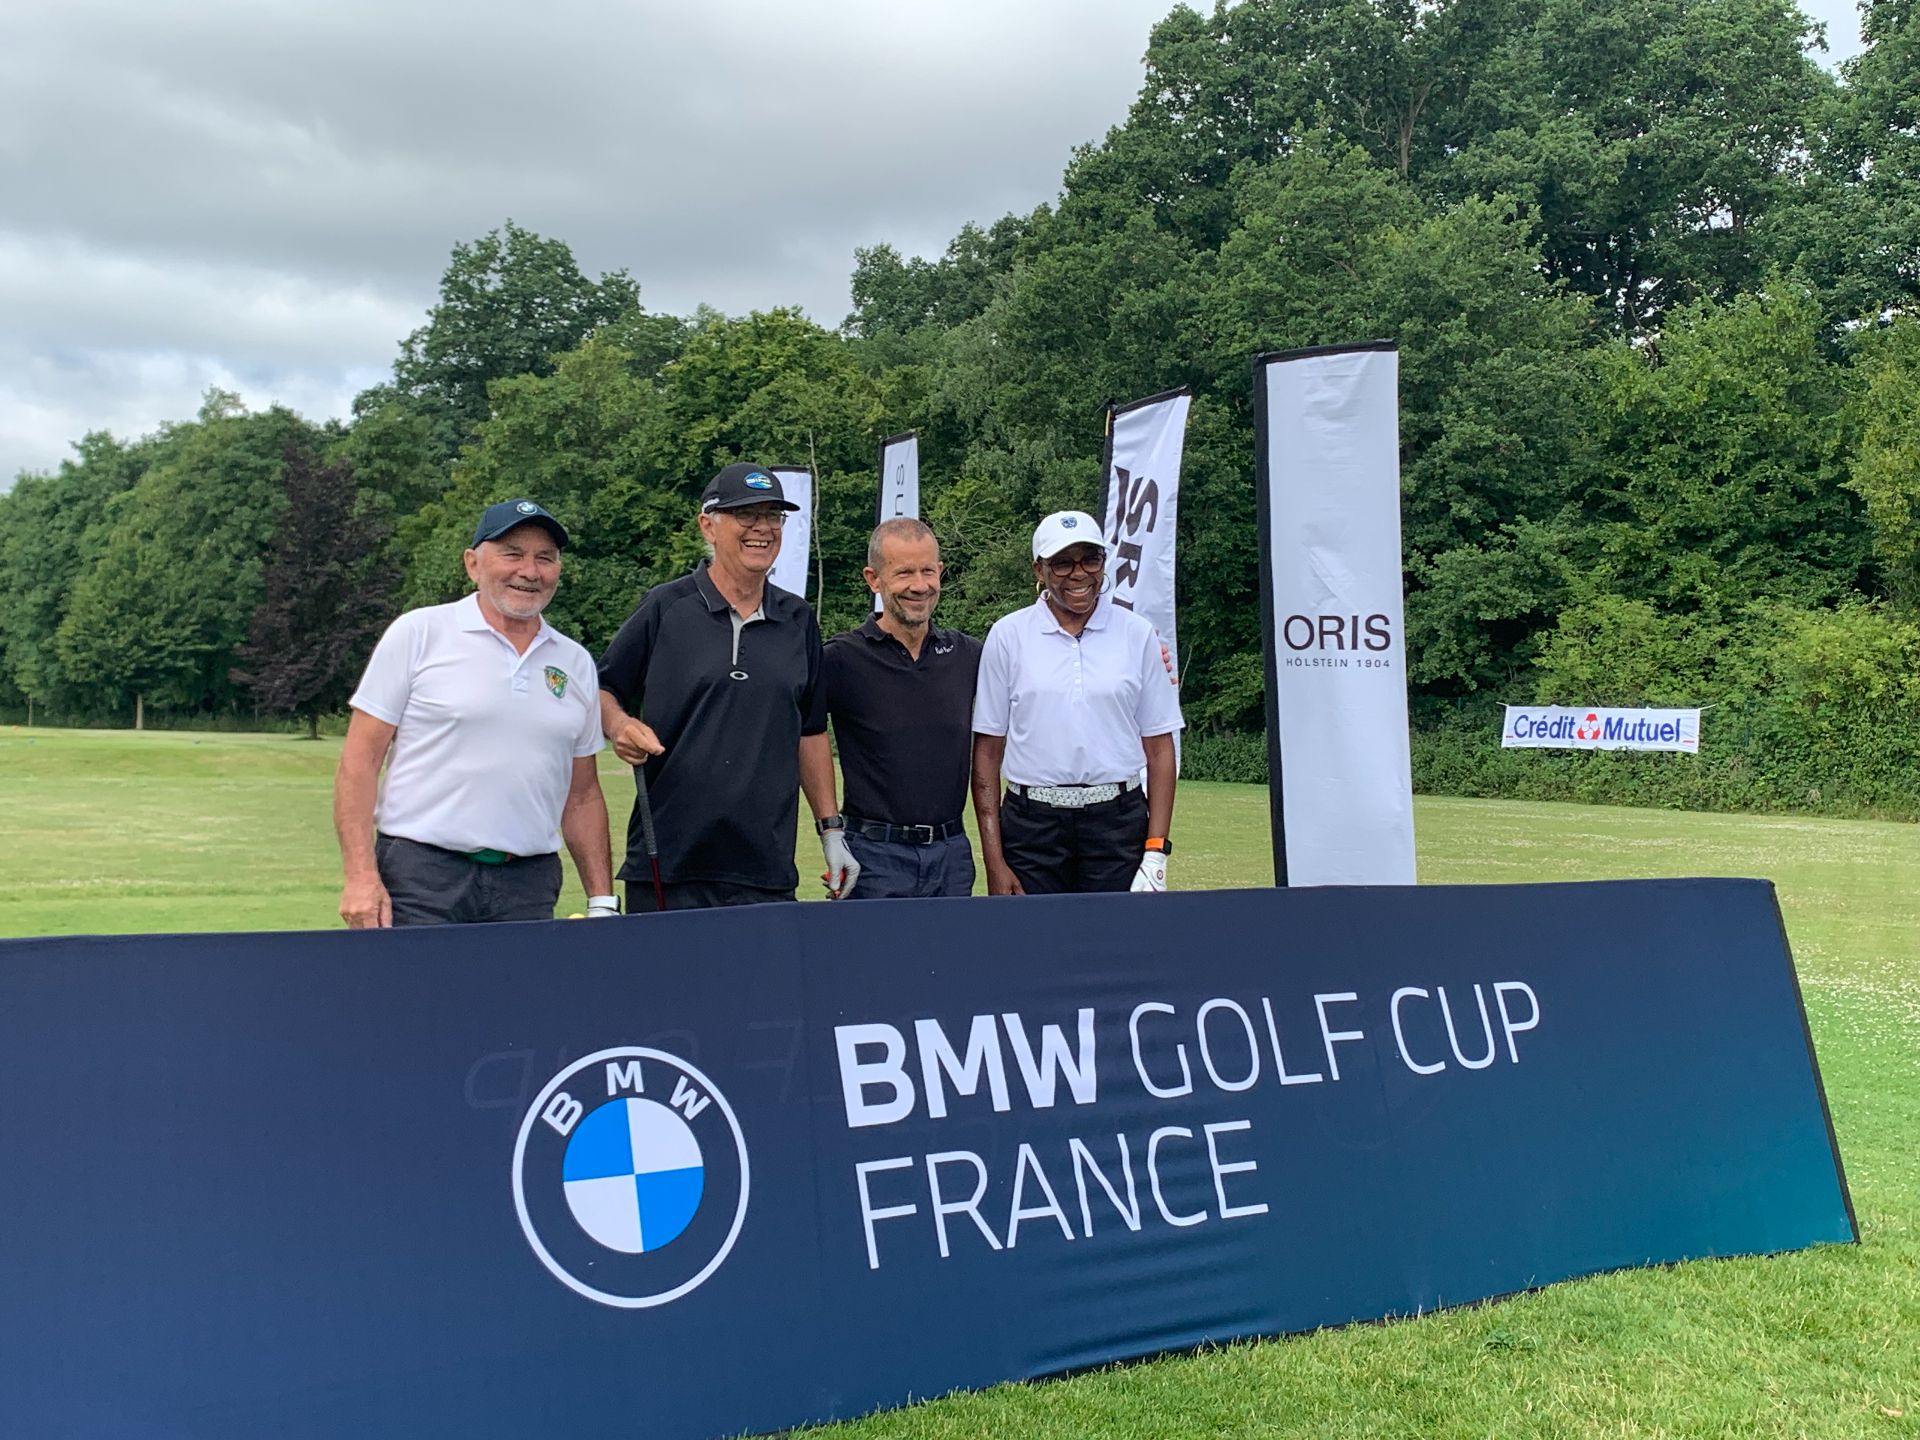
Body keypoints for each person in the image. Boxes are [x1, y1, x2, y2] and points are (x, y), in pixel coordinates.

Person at [334, 499, 616, 927]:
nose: (530, 571)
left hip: (528, 885)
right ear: (472, 564)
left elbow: (582, 795)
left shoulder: (574, 661)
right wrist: (359, 877)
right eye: (512, 554)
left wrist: (601, 900)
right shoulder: (419, 633)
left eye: (545, 558)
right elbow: (360, 761)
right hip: (421, 878)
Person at [597, 462, 858, 911]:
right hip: (670, 862)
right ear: (709, 526)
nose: (762, 528)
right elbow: (602, 688)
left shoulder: (798, 620)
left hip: (765, 866)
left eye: (773, 516)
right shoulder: (666, 606)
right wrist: (619, 725)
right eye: (746, 514)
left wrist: (831, 832)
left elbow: (811, 731)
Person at [970, 509, 1183, 896]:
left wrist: (1155, 852)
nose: (1079, 573)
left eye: (1090, 559)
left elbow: (1159, 749)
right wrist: (994, 862)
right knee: (1033, 934)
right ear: (1039, 570)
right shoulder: (1008, 635)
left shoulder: (1137, 634)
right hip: (1031, 826)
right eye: (1062, 563)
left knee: (1114, 934)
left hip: (1117, 824)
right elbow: (987, 753)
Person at [822, 518, 983, 899]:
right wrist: (830, 832)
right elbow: (803, 735)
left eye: (928, 571)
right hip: (873, 857)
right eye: (904, 573)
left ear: (940, 572)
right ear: (873, 579)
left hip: (952, 856)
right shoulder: (841, 658)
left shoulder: (968, 655)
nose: (919, 585)